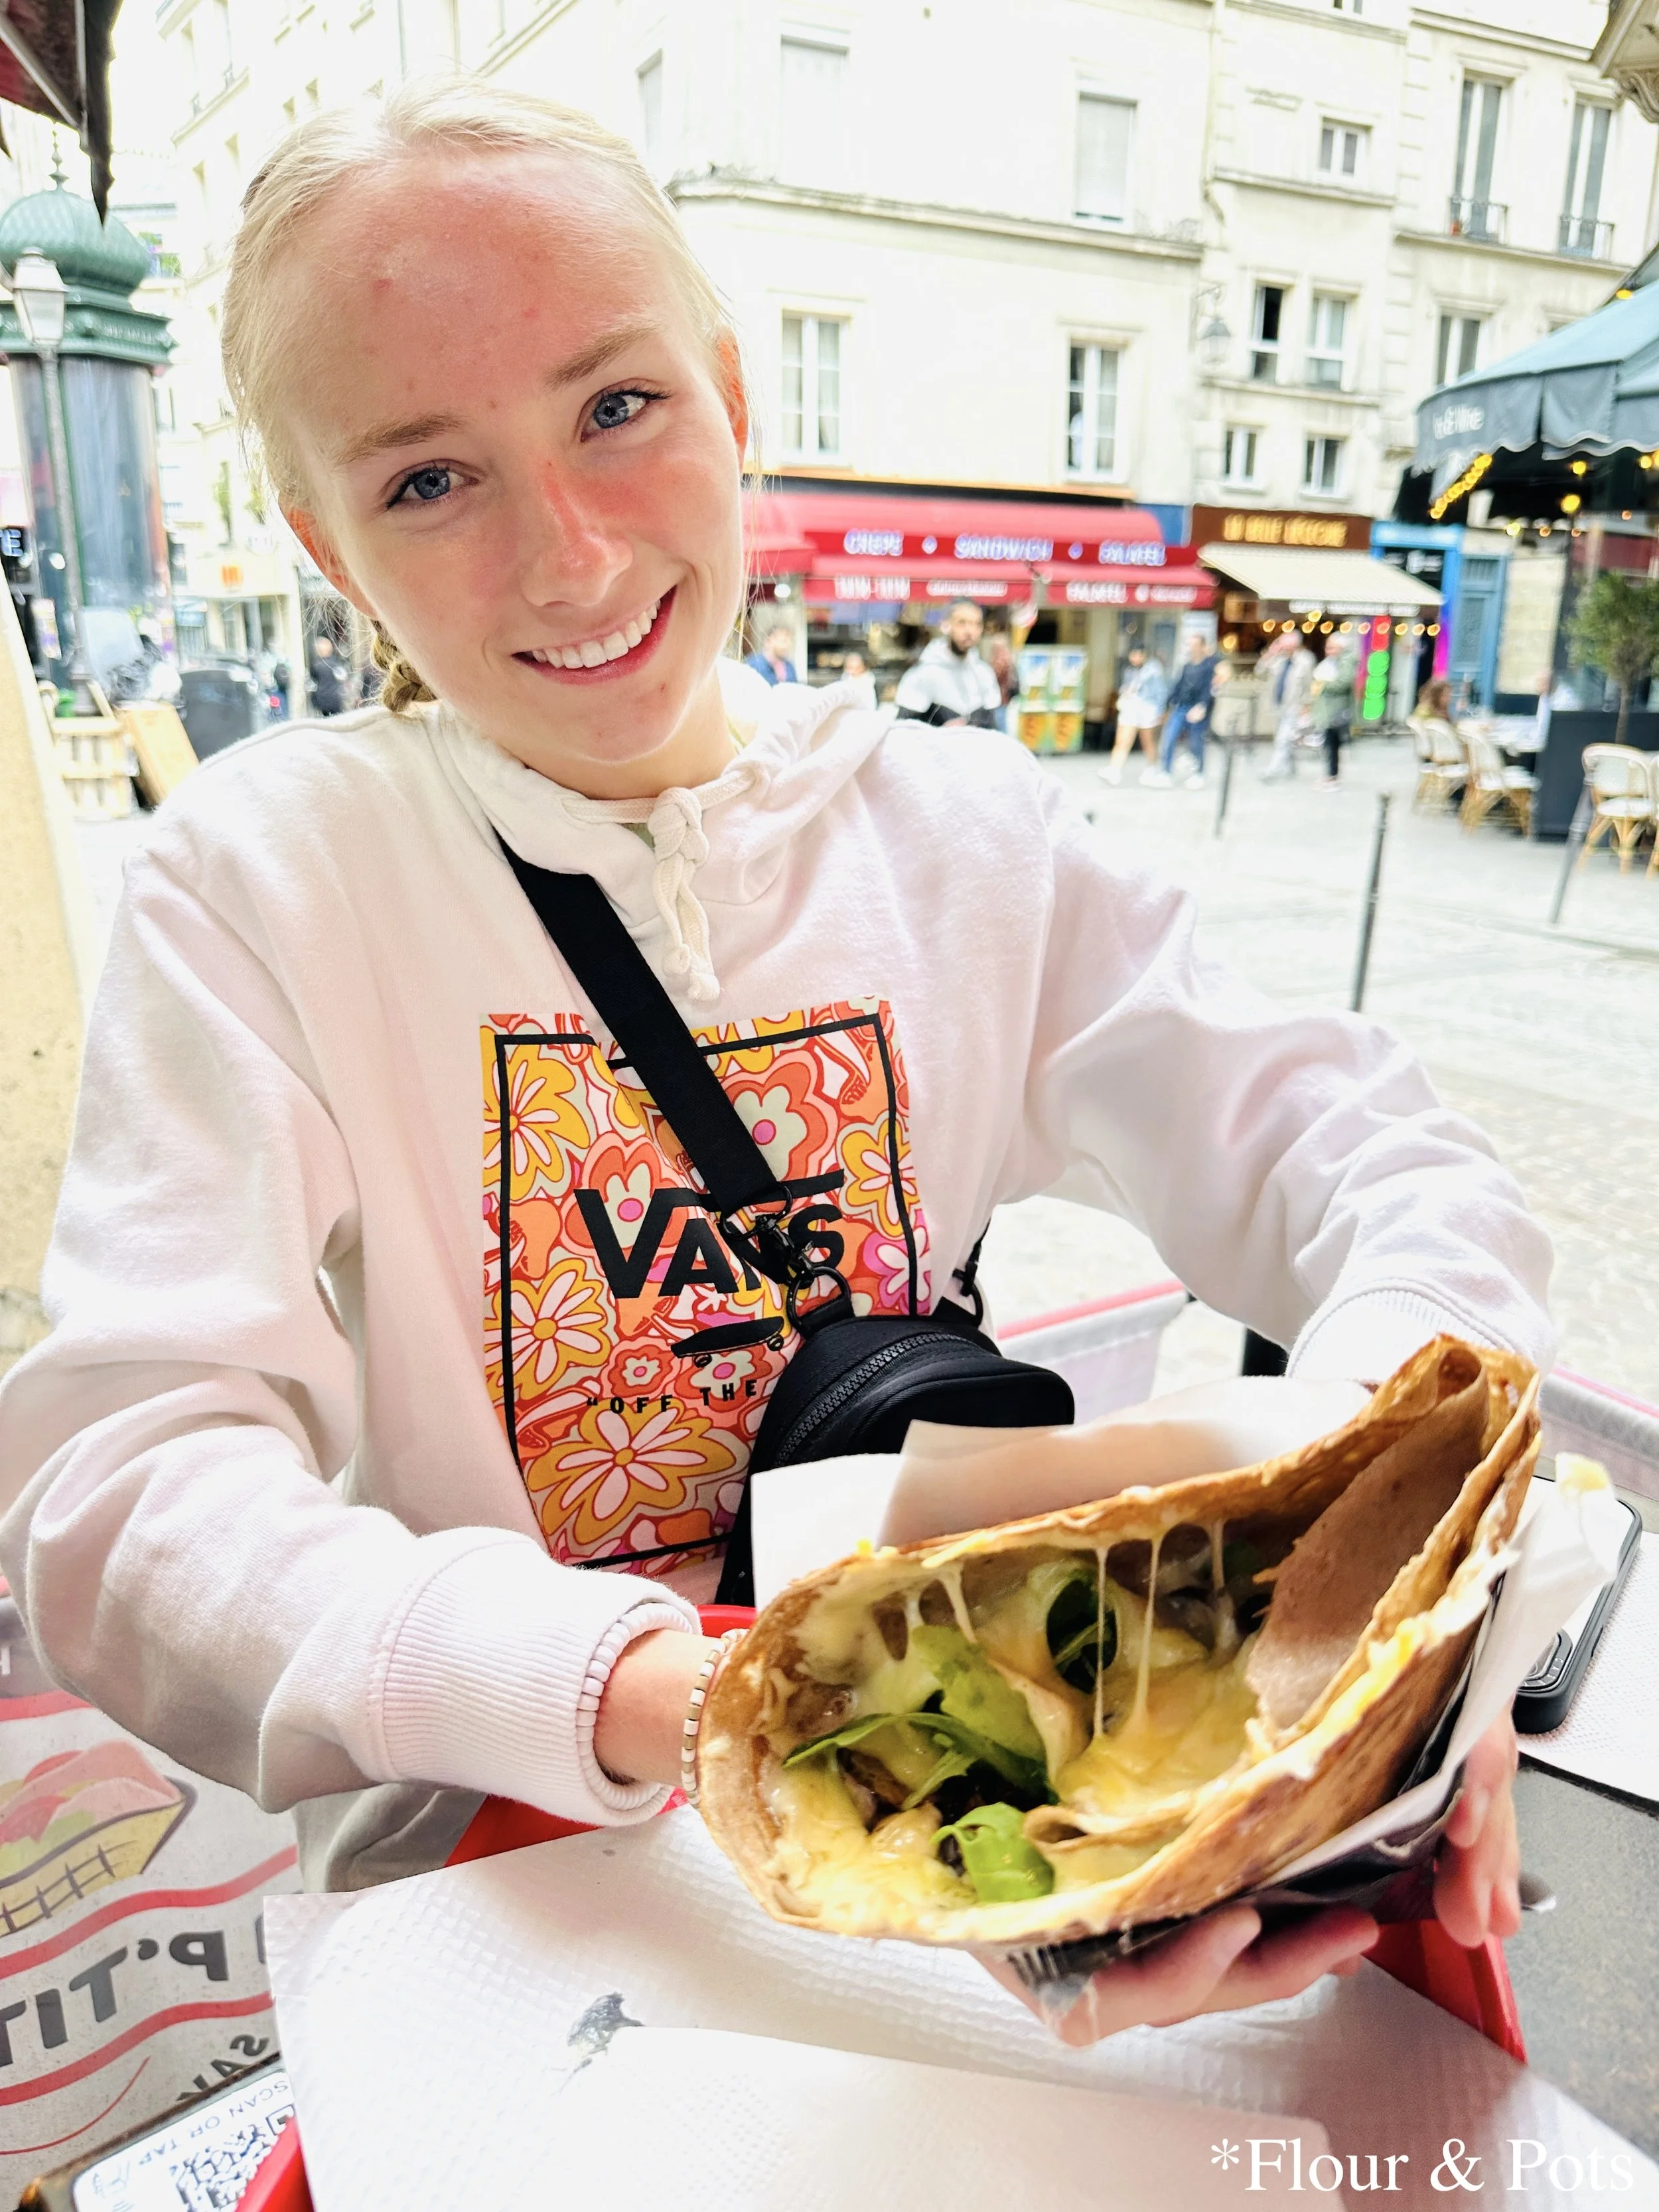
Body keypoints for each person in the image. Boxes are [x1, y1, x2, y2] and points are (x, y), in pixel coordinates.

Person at [0, 84, 1536, 2041]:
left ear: (731, 392)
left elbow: (1385, 1168)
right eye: (425, 481)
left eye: (614, 409)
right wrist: (665, 1699)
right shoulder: (262, 884)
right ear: (321, 542)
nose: (565, 557)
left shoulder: (967, 833)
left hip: (997, 1807)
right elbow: (121, 1499)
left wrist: (1378, 1619)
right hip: (518, 1901)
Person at [893, 598, 1001, 727]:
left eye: (976, 624)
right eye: (962, 623)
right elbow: (905, 727)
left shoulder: (984, 673)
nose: (969, 631)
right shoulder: (924, 673)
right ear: (946, 625)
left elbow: (993, 726)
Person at [1145, 632, 1219, 787]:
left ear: (1202, 647)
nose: (1191, 648)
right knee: (1170, 737)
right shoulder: (1187, 666)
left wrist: (1202, 706)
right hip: (1181, 707)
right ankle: (1166, 772)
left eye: (1194, 645)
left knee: (1196, 741)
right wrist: (1168, 705)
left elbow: (1208, 689)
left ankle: (1199, 773)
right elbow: (1178, 686)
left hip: (1197, 708)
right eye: (1189, 645)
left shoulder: (1209, 665)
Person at [1100, 644, 1167, 784]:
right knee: (1123, 740)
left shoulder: (1153, 669)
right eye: (1133, 654)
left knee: (1147, 741)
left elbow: (1160, 691)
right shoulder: (1129, 671)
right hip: (1131, 707)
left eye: (1138, 654)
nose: (1135, 658)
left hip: (1147, 708)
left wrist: (1160, 711)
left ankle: (1152, 768)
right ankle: (1115, 769)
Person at [1260, 630, 1317, 782]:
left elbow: (1308, 685)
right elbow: (1260, 672)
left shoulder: (1305, 661)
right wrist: (1270, 654)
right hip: (1278, 706)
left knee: (1282, 740)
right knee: (1284, 739)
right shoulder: (1277, 659)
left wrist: (1307, 706)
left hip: (1294, 707)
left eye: (1287, 646)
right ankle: (1291, 768)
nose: (1284, 649)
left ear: (1295, 646)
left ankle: (1271, 771)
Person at [1312, 635, 1359, 785]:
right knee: (1330, 743)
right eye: (1327, 647)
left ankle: (1332, 776)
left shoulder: (1345, 663)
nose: (1328, 651)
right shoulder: (1334, 662)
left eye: (1332, 647)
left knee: (1332, 744)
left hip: (1336, 711)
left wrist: (1324, 684)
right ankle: (1331, 775)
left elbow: (1343, 683)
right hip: (1329, 710)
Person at [743, 622, 796, 686]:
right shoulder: (754, 664)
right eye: (784, 641)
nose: (787, 645)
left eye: (789, 641)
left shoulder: (789, 667)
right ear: (769, 641)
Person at [307, 632, 348, 715]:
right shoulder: (336, 664)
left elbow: (312, 683)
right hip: (336, 699)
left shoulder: (316, 666)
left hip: (322, 701)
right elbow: (343, 677)